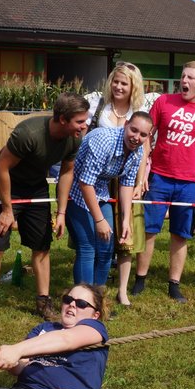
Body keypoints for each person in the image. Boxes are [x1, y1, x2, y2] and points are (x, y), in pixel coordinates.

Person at [0, 93, 87, 330]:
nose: (84, 125)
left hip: (36, 188)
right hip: (6, 185)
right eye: (80, 121)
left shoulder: (74, 139)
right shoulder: (28, 133)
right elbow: (1, 167)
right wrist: (7, 209)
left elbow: (67, 172)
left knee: (42, 246)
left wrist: (61, 212)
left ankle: (43, 302)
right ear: (63, 119)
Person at [131, 61, 195, 303]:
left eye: (190, 78)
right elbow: (146, 138)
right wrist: (142, 175)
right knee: (148, 230)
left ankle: (174, 284)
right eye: (183, 76)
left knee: (180, 234)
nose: (184, 81)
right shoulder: (163, 102)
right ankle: (140, 279)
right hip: (159, 177)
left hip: (188, 183)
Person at [84, 63, 156, 307]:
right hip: (99, 178)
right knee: (97, 234)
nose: (119, 86)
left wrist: (140, 181)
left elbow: (144, 150)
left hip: (127, 177)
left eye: (124, 83)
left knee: (128, 233)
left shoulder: (139, 112)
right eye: (116, 81)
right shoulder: (99, 106)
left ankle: (122, 289)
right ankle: (91, 285)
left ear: (133, 86)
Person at [66, 113, 150, 291]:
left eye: (143, 134)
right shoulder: (104, 141)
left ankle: (97, 297)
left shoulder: (138, 151)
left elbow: (126, 184)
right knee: (88, 247)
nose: (136, 137)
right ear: (126, 124)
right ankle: (83, 298)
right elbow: (85, 183)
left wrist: (125, 220)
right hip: (75, 189)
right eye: (134, 130)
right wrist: (99, 220)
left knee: (106, 248)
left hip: (100, 191)